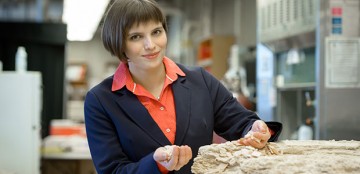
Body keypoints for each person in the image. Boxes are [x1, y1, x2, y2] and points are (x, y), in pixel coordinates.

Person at [84, 0, 282, 173]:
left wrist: (255, 129)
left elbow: (242, 123)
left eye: (156, 32)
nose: (151, 44)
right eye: (136, 37)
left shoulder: (200, 80)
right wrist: (157, 164)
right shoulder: (101, 100)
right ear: (119, 44)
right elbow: (113, 170)